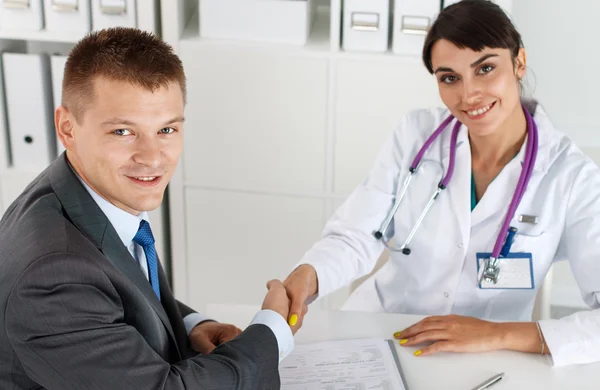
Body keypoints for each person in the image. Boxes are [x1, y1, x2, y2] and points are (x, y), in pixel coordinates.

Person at [282, 0, 600, 367]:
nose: (468, 95)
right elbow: (357, 236)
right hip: (379, 333)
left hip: (483, 357)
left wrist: (497, 333)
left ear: (519, 62)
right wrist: (307, 277)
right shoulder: (415, 136)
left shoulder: (573, 177)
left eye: (485, 68)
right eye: (450, 77)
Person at [0, 28, 298, 389]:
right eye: (123, 132)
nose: (152, 157)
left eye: (167, 129)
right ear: (68, 128)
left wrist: (191, 326)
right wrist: (271, 331)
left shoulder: (79, 192)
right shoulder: (53, 276)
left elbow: (121, 291)